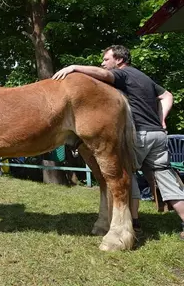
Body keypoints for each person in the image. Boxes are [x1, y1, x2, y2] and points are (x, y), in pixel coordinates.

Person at [53, 44, 184, 239]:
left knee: (125, 176)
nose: (103, 63)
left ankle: (134, 223)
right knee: (167, 178)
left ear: (119, 60)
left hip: (138, 134)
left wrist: (74, 67)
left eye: (106, 59)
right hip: (158, 135)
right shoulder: (144, 77)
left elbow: (102, 75)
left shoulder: (124, 75)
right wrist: (162, 118)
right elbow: (167, 96)